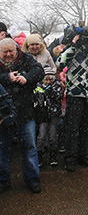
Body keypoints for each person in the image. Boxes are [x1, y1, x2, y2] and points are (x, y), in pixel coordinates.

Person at [56, 27, 88, 172]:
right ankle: (70, 158)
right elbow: (59, 64)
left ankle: (84, 155)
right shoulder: (71, 50)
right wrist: (73, 45)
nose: (85, 39)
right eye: (83, 37)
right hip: (75, 95)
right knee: (72, 128)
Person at [0, 38, 45, 193]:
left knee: (29, 147)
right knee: (2, 149)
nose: (7, 55)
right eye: (4, 52)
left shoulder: (25, 58)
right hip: (3, 114)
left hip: (25, 111)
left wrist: (26, 78)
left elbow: (39, 71)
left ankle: (32, 179)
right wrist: (6, 78)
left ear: (16, 49)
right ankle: (3, 180)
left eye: (10, 51)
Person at [35, 67, 63, 167]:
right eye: (45, 79)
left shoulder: (57, 85)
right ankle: (39, 158)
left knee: (53, 137)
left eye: (50, 79)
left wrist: (50, 91)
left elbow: (59, 97)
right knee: (41, 136)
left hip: (54, 115)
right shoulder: (38, 86)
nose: (48, 81)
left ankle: (53, 157)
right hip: (43, 115)